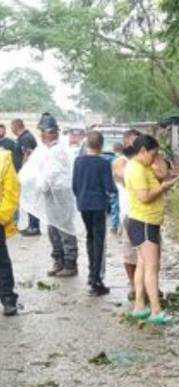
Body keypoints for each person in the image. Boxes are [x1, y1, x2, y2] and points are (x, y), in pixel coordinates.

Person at [124, 134, 177, 325]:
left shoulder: (142, 165)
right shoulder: (137, 169)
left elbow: (162, 171)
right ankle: (156, 310)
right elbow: (144, 197)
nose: (155, 158)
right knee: (152, 267)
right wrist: (163, 188)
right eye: (152, 154)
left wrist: (159, 162)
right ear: (143, 151)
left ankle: (140, 306)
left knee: (143, 265)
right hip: (144, 223)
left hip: (145, 222)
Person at [18, 114, 79, 277]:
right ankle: (58, 260)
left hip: (62, 196)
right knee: (53, 229)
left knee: (65, 229)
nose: (41, 136)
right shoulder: (45, 149)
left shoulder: (59, 150)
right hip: (50, 197)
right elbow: (34, 167)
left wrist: (40, 185)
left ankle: (70, 263)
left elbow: (52, 174)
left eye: (43, 133)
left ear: (51, 133)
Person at [72, 131, 117, 296]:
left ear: (87, 145)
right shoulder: (103, 163)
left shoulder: (78, 161)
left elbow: (75, 185)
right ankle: (96, 279)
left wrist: (81, 197)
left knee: (90, 238)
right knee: (99, 240)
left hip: (83, 204)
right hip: (98, 205)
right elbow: (109, 187)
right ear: (101, 145)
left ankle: (92, 274)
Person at [113, 129, 141, 297]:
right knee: (130, 254)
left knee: (150, 254)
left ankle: (148, 285)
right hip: (129, 213)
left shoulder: (146, 161)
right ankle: (133, 284)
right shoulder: (121, 162)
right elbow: (122, 176)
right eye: (135, 142)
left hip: (147, 213)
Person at [10, 119, 40, 236]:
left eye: (12, 127)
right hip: (26, 174)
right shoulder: (22, 138)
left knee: (31, 200)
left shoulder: (26, 138)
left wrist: (23, 171)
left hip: (28, 175)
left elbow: (27, 155)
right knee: (28, 200)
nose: (11, 130)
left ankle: (34, 227)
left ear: (16, 127)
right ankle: (31, 225)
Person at [0, 148, 20, 316]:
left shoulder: (3, 159)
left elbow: (11, 191)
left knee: (1, 262)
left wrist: (1, 217)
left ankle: (7, 299)